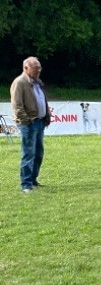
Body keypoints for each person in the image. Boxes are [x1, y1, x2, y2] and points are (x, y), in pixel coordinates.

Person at [10, 56, 51, 193]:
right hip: (29, 123)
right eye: (35, 68)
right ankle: (26, 184)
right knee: (28, 153)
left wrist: (46, 116)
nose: (38, 70)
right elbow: (17, 106)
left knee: (38, 153)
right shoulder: (19, 82)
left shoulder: (37, 82)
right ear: (26, 68)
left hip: (39, 122)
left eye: (39, 68)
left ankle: (33, 179)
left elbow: (41, 100)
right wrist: (27, 121)